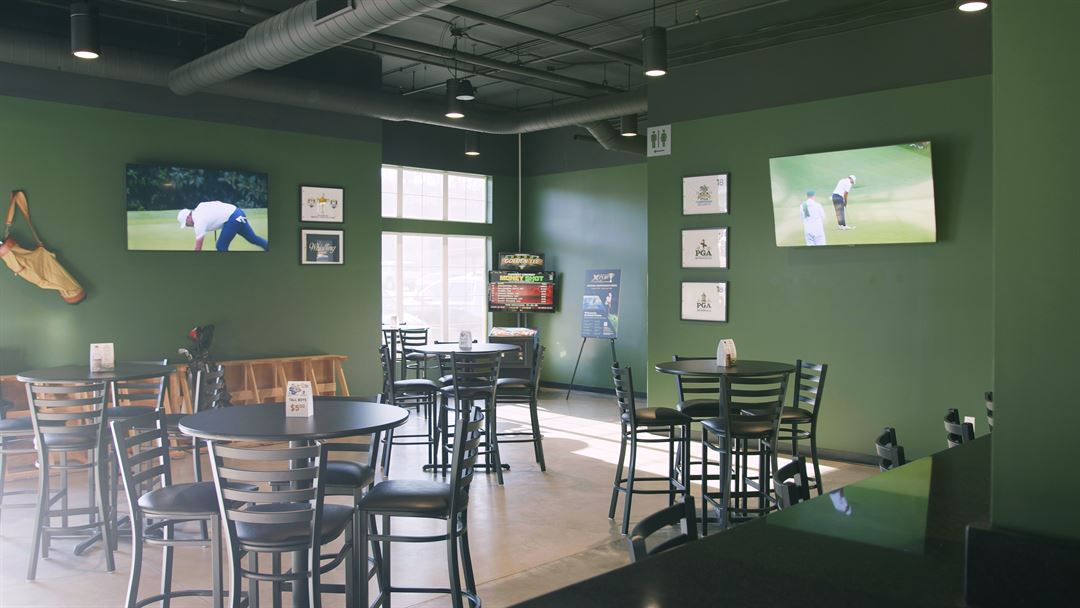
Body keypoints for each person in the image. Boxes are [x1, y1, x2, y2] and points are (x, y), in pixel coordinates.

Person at [177, 201, 268, 251]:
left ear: (188, 217)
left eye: (186, 224)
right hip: (238, 212)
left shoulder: (198, 222)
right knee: (252, 238)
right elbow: (217, 204)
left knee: (220, 246)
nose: (188, 226)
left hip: (233, 218)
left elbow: (198, 248)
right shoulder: (200, 206)